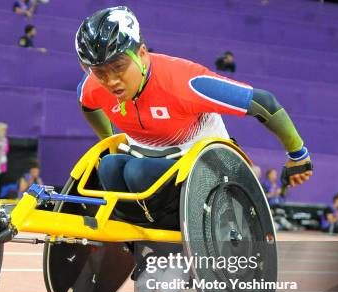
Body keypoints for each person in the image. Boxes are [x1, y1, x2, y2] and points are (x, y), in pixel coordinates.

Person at [75, 6, 312, 227]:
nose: (111, 80)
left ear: (142, 53)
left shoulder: (186, 82)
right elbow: (87, 104)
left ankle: (173, 227)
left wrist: (299, 155)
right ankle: (139, 233)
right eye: (100, 72)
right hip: (148, 157)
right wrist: (109, 139)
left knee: (137, 172)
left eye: (118, 67)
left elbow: (265, 103)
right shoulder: (92, 87)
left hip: (205, 164)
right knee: (108, 166)